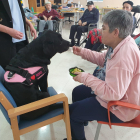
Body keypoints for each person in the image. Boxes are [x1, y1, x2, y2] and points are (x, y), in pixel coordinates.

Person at [64, 10, 140, 140]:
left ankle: (78, 127)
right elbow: (103, 59)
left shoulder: (124, 57)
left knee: (72, 113)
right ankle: (83, 121)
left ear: (115, 32)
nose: (100, 31)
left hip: (119, 107)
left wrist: (84, 77)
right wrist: (83, 52)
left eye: (103, 28)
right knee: (77, 92)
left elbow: (113, 94)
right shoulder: (120, 42)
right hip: (113, 93)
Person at [0, 0, 37, 70]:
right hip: (6, 41)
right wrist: (9, 31)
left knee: (24, 68)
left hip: (21, 39)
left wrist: (29, 23)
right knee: (11, 71)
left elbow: (18, 13)